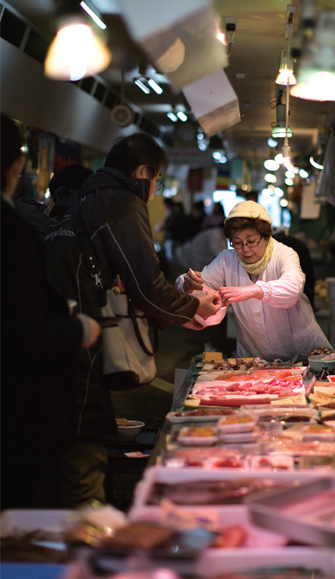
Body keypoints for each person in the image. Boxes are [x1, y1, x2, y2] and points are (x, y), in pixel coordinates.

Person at [44, 132, 220, 507]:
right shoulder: (121, 201)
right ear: (142, 171)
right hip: (82, 340)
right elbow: (145, 283)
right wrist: (194, 307)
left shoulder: (87, 198)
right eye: (156, 179)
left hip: (55, 336)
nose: (155, 189)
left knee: (66, 442)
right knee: (84, 445)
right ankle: (80, 545)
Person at [1, 114, 101, 509]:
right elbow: (26, 333)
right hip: (12, 406)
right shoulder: (13, 233)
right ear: (16, 167)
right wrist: (79, 329)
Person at [177, 201, 332, 362]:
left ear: (265, 236)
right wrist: (188, 285)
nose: (245, 249)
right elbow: (203, 287)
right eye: (236, 242)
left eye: (251, 241)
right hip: (253, 358)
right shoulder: (226, 259)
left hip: (300, 354)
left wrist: (252, 291)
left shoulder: (284, 254)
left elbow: (293, 288)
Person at [272, 228, 315, 306]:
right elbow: (309, 272)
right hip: (304, 285)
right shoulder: (299, 243)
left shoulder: (276, 247)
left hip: (282, 291)